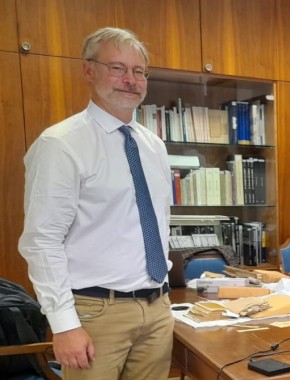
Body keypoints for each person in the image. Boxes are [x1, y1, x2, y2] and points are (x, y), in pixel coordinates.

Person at [18, 27, 173, 379]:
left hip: (158, 306)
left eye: (139, 71)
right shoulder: (60, 144)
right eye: (117, 68)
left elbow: (155, 223)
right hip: (95, 312)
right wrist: (64, 325)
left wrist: (164, 300)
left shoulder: (154, 146)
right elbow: (42, 241)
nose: (130, 80)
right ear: (89, 70)